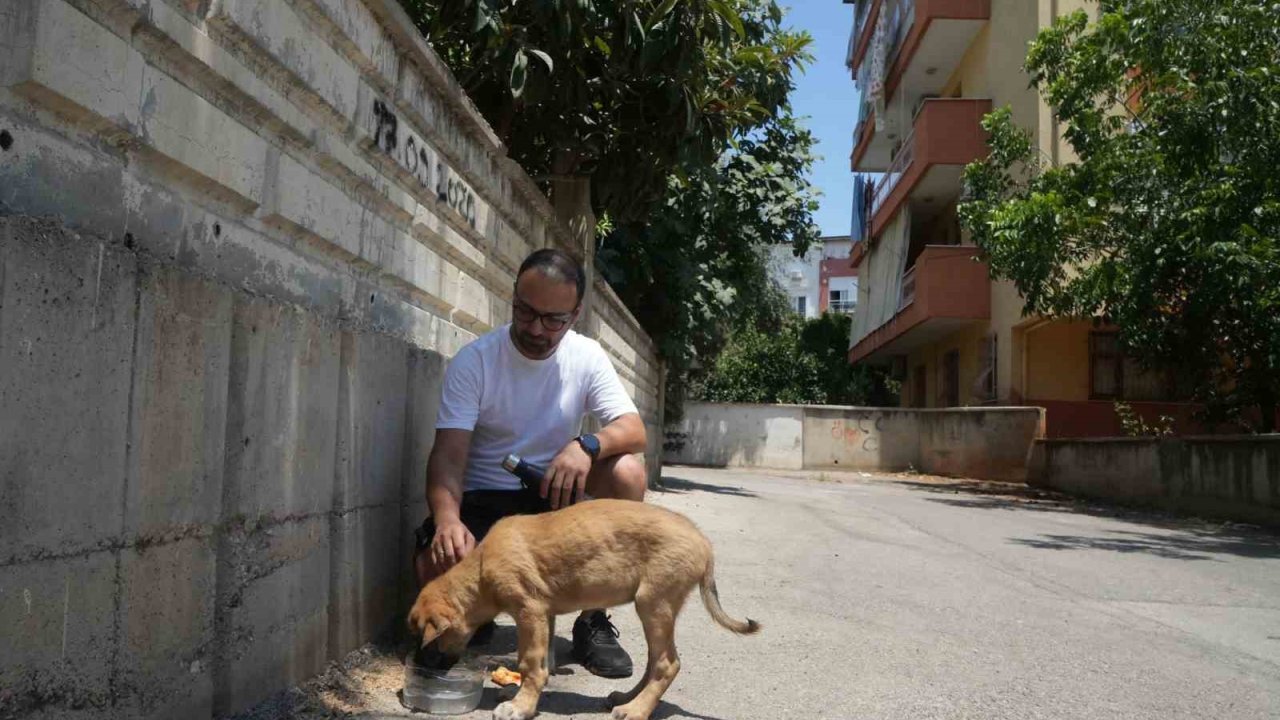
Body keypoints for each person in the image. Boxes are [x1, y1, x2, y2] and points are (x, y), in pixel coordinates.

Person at [412, 248, 648, 678]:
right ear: (515, 299)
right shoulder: (476, 360)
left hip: (553, 504)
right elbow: (447, 454)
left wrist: (587, 445)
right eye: (525, 312)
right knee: (432, 562)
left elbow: (634, 429)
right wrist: (447, 520)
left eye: (552, 319)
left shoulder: (586, 356)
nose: (536, 329)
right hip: (486, 500)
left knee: (629, 471)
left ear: (574, 315)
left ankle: (592, 619)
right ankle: (472, 618)